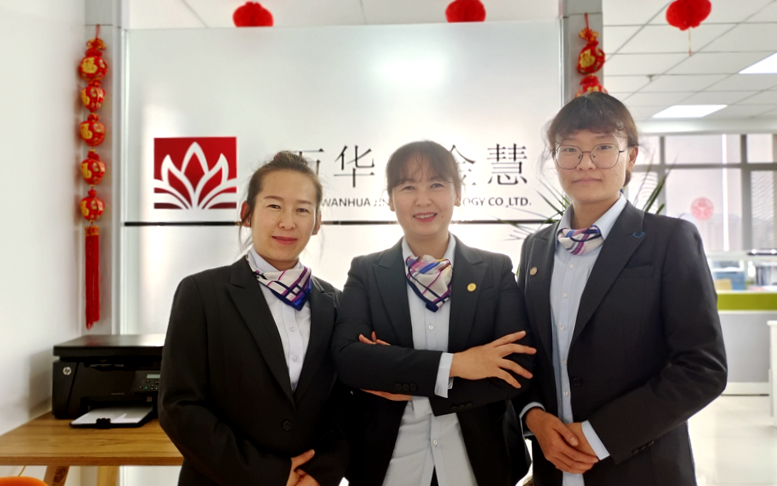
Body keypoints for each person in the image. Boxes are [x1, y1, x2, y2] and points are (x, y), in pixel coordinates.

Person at [514, 92, 727, 486]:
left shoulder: (669, 240)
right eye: (570, 150)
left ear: (630, 156)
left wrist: (599, 436)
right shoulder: (536, 248)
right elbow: (526, 353)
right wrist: (534, 417)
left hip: (641, 469)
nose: (586, 163)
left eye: (603, 147)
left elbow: (702, 368)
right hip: (552, 468)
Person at [331, 140, 536, 486]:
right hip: (390, 466)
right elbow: (350, 360)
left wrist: (414, 385)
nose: (423, 200)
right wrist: (459, 365)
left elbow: (517, 366)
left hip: (479, 463)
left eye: (437, 184)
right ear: (390, 199)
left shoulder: (494, 270)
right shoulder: (367, 272)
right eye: (408, 187)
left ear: (458, 194)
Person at [159, 152, 349, 486]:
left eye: (302, 209)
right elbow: (179, 406)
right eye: (274, 206)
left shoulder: (335, 303)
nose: (287, 222)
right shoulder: (202, 294)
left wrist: (320, 474)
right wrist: (269, 474)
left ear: (317, 222)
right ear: (247, 214)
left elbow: (346, 406)